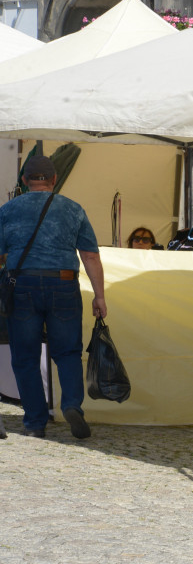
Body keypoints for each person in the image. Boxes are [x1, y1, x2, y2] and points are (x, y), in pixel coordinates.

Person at [0, 155, 106, 439]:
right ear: (54, 180)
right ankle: (71, 405)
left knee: (25, 357)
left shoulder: (8, 209)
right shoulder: (73, 209)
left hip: (21, 285)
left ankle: (35, 422)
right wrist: (100, 296)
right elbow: (90, 255)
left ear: (24, 180)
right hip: (63, 284)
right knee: (68, 352)